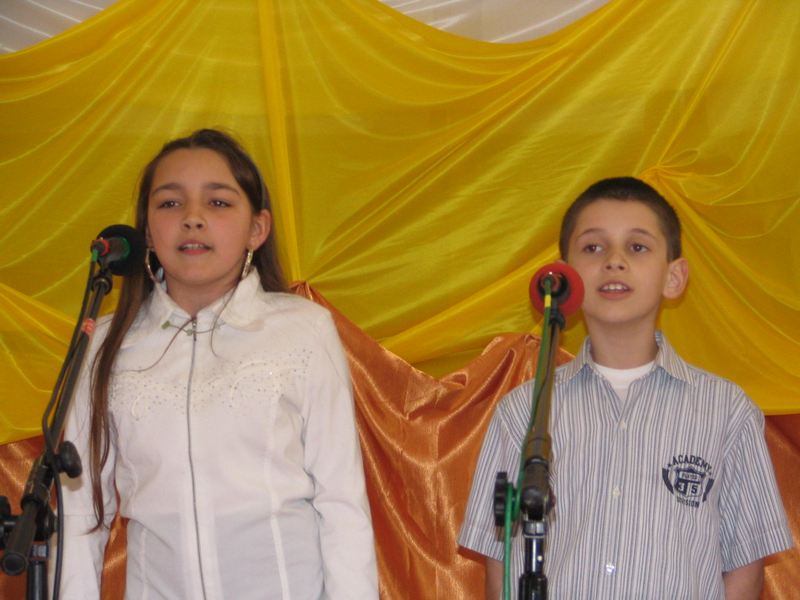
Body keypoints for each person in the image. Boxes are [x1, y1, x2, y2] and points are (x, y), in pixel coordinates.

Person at [58, 129, 378, 599]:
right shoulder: (105, 343)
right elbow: (80, 515)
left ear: (257, 229)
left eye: (218, 203)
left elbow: (342, 503)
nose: (192, 218)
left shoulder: (303, 330)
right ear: (147, 232)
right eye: (170, 203)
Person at [459, 177, 792, 599]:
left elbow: (744, 566)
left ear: (674, 277)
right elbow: (501, 563)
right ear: (565, 276)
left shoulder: (726, 410)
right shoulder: (522, 411)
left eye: (637, 247)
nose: (614, 261)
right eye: (593, 248)